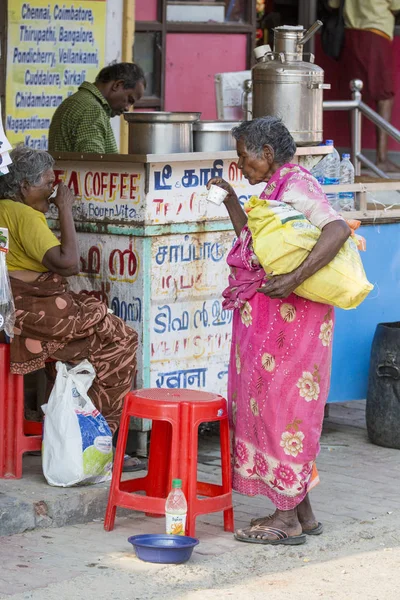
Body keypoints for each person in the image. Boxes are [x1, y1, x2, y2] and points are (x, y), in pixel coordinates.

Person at [207, 117, 351, 545]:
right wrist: (233, 200)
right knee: (268, 405)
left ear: (267, 153)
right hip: (270, 327)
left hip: (295, 326)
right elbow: (255, 247)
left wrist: (294, 278)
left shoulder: (297, 184)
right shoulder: (274, 188)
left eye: (244, 157)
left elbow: (337, 228)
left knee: (283, 409)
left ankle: (286, 521)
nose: (241, 165)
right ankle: (302, 513)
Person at [0, 146, 142, 469]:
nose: (54, 190)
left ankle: (70, 432)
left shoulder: (4, 209)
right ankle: (99, 439)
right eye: (48, 183)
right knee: (122, 339)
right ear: (24, 186)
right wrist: (66, 209)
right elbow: (69, 263)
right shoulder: (24, 215)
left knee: (91, 336)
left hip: (17, 308)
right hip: (35, 312)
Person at [328, 0, 400, 172]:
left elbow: (333, 4)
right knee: (385, 95)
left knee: (356, 97)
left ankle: (353, 158)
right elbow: (396, 6)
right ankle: (381, 159)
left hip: (351, 34)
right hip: (376, 33)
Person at [48, 62, 146, 154]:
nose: (127, 108)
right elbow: (94, 164)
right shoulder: (92, 109)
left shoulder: (75, 101)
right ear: (118, 85)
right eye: (129, 100)